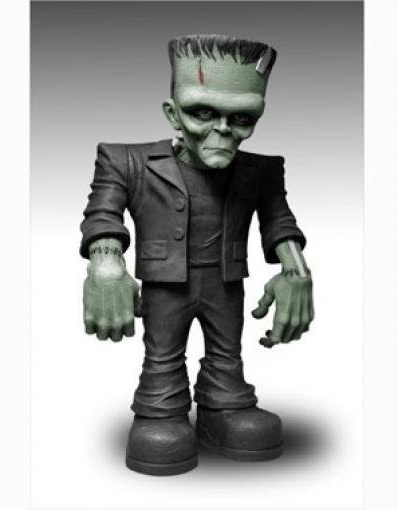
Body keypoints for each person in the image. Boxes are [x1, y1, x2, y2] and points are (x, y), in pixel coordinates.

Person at [80, 34, 314, 476]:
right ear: (173, 113)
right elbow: (102, 213)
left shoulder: (261, 171)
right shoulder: (125, 161)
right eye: (203, 112)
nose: (223, 130)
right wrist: (105, 261)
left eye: (241, 118)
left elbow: (279, 219)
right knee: (162, 355)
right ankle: (160, 407)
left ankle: (224, 404)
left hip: (226, 282)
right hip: (165, 285)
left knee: (227, 352)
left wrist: (295, 267)